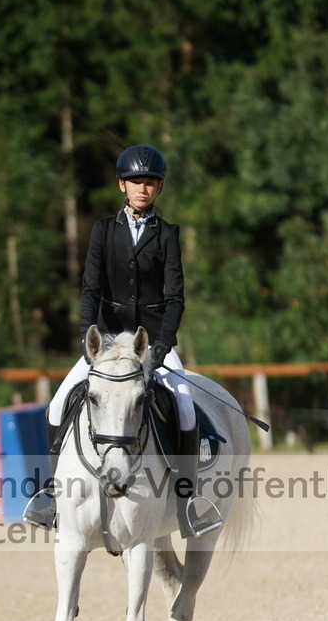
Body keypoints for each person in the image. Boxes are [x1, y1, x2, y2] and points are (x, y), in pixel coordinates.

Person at [24, 144, 223, 537]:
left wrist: (162, 346)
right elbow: (90, 287)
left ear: (159, 189)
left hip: (152, 345)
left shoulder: (167, 234)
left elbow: (175, 298)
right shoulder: (103, 230)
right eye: (136, 182)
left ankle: (187, 502)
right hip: (107, 346)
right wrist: (88, 336)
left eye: (150, 183)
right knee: (57, 404)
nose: (142, 189)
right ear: (122, 185)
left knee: (184, 407)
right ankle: (51, 495)